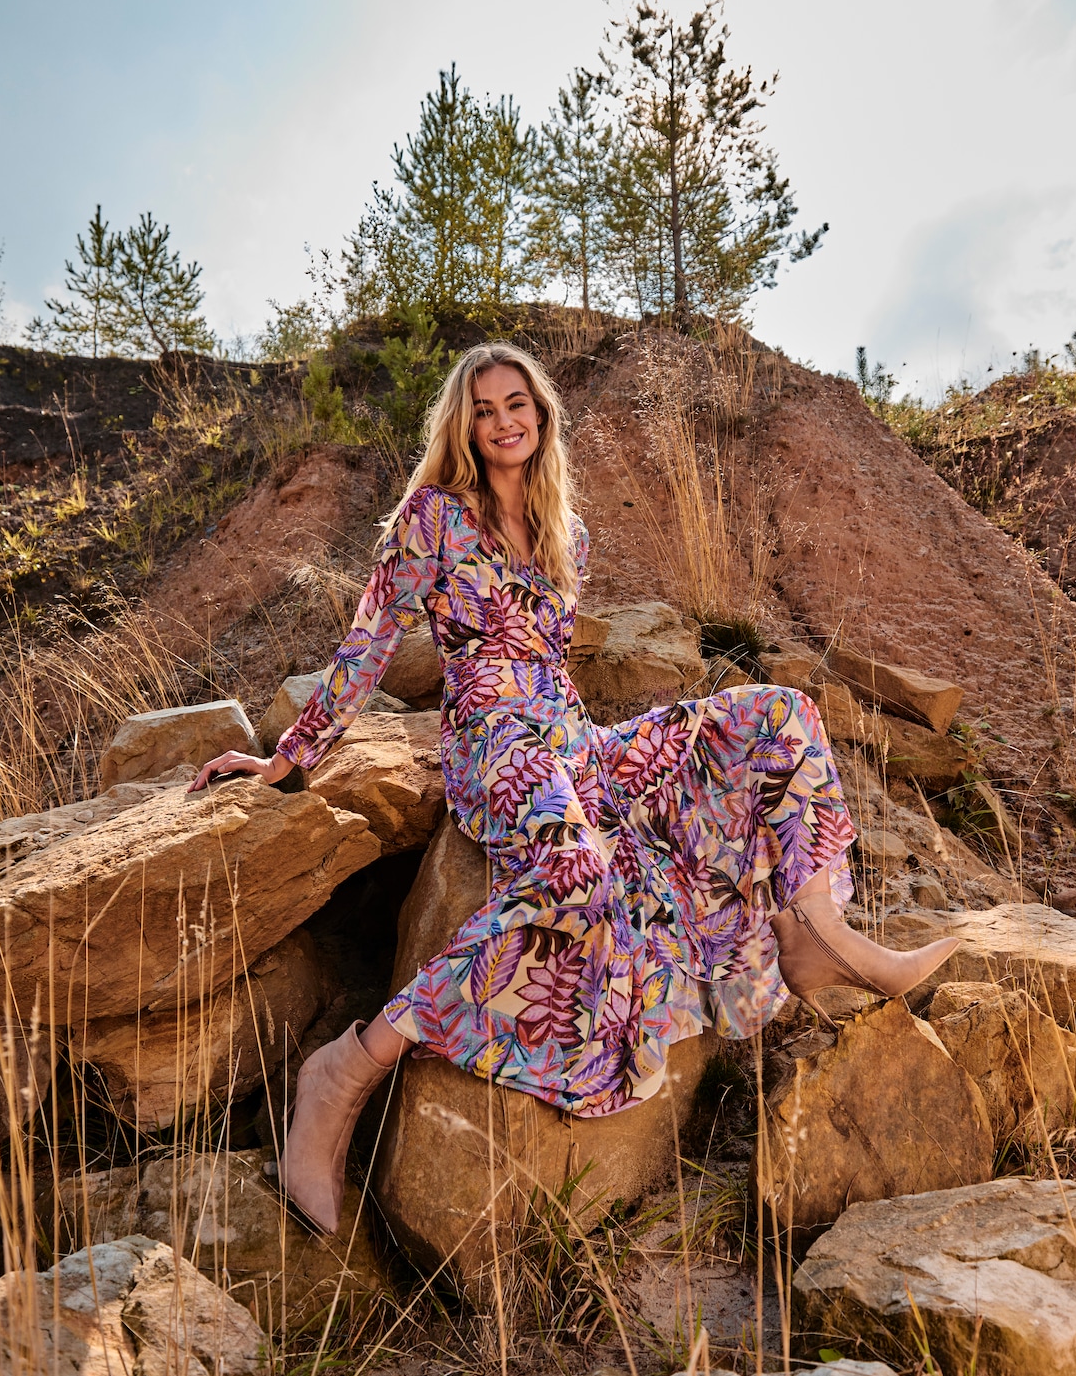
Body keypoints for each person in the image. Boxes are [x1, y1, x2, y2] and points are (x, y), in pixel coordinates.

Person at [191, 341, 959, 1234]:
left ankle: (811, 927)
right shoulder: (432, 519)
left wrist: (609, 774)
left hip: (571, 741)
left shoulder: (568, 534)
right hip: (494, 741)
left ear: (542, 414)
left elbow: (557, 671)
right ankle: (347, 1069)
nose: (503, 419)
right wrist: (288, 758)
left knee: (777, 715)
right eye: (483, 407)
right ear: (462, 425)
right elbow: (365, 649)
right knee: (577, 880)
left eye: (517, 402)